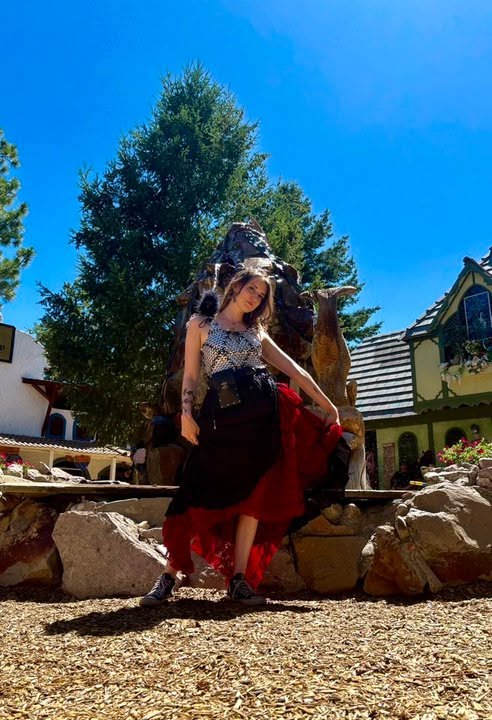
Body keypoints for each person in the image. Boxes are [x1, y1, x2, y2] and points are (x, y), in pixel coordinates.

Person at [140, 269, 342, 607]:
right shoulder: (201, 324)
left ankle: (239, 580)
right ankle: (168, 576)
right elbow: (191, 376)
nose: (255, 298)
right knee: (197, 492)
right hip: (221, 419)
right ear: (236, 286)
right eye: (252, 289)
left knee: (254, 497)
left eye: (261, 295)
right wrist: (186, 415)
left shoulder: (256, 331)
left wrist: (327, 404)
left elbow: (294, 369)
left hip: (262, 418)